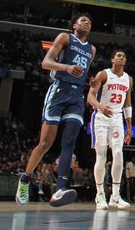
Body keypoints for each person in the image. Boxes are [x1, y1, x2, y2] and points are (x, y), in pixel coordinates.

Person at [15, 14, 96, 207]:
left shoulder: (91, 49)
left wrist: (89, 80)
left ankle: (60, 189)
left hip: (77, 97)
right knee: (45, 144)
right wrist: (66, 67)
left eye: (89, 22)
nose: (87, 23)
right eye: (83, 20)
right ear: (74, 24)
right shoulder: (64, 37)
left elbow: (82, 71)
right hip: (59, 90)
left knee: (69, 142)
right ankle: (25, 179)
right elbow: (46, 62)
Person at [87, 49, 133, 210]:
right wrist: (100, 106)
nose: (122, 57)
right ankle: (100, 194)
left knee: (119, 153)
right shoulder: (103, 74)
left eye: (124, 56)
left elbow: (127, 104)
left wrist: (129, 128)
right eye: (119, 55)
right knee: (101, 155)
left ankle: (115, 195)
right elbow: (90, 96)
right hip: (100, 117)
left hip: (117, 118)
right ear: (112, 59)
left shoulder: (128, 79)